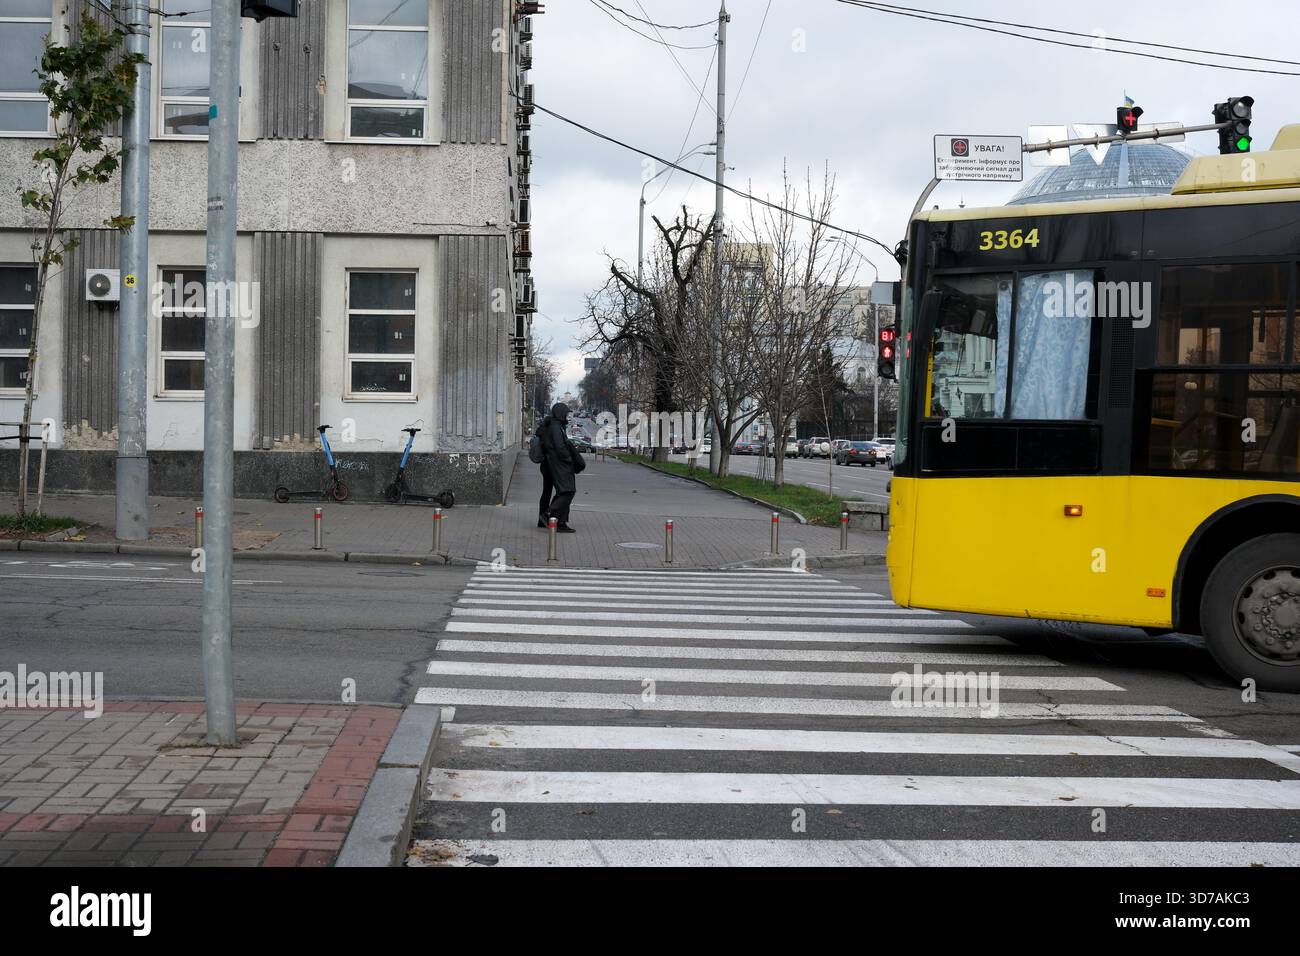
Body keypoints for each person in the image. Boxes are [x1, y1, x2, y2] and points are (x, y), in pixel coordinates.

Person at [536, 401, 582, 533]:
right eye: (566, 413)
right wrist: (568, 459)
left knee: (551, 492)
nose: (567, 416)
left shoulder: (552, 424)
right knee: (566, 492)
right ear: (561, 413)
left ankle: (549, 520)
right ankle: (551, 517)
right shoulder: (556, 427)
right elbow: (559, 447)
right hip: (555, 465)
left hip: (549, 465)